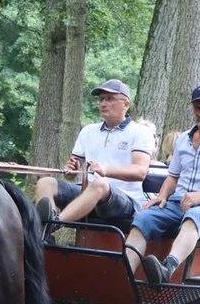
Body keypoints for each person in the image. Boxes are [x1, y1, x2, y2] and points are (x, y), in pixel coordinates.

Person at [128, 84, 200, 284]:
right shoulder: (183, 139)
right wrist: (162, 195)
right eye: (197, 108)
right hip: (177, 203)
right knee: (143, 218)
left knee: (194, 215)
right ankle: (124, 275)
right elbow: (173, 177)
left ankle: (167, 268)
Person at [34, 79, 153, 226]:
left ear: (126, 104)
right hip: (87, 194)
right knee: (45, 183)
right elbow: (72, 171)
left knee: (99, 185)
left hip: (125, 200)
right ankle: (43, 232)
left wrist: (106, 170)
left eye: (110, 99)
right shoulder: (88, 131)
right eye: (101, 99)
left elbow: (140, 172)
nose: (103, 103)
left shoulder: (140, 132)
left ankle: (53, 224)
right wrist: (71, 171)